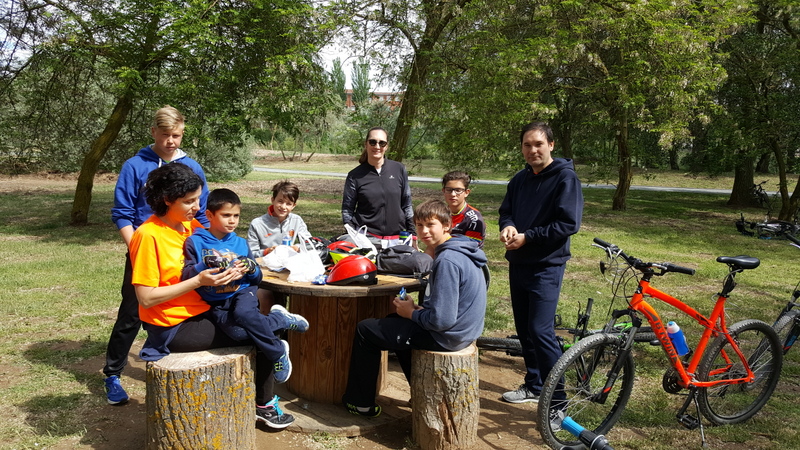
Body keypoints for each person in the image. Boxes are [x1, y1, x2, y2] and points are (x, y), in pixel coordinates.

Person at [131, 163, 295, 429]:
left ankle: (264, 395)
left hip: (205, 310)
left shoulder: (188, 226)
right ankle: (264, 405)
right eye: (189, 201)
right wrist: (198, 279)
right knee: (261, 335)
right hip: (175, 324)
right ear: (167, 200)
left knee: (254, 323)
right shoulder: (148, 236)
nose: (197, 207)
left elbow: (225, 239)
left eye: (197, 199)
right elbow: (146, 298)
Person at [341, 200, 487, 416]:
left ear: (446, 225)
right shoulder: (465, 250)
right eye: (419, 225)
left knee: (366, 330)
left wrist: (413, 313)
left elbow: (442, 321)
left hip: (448, 337)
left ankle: (360, 402)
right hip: (464, 332)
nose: (424, 231)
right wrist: (418, 312)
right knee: (393, 320)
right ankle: (420, 391)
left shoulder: (447, 260)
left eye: (430, 225)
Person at [104, 105, 209, 405]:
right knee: (132, 312)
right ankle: (112, 374)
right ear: (153, 132)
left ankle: (165, 349)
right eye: (165, 135)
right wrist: (137, 247)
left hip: (183, 250)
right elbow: (122, 214)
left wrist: (204, 245)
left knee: (189, 300)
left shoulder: (192, 167)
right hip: (145, 249)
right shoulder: (134, 166)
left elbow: (200, 212)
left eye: (177, 135)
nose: (171, 141)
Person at [182, 188, 309, 384]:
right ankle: (279, 319)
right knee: (237, 332)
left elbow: (257, 277)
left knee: (244, 315)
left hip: (243, 291)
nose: (232, 220)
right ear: (209, 215)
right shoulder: (195, 242)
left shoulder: (240, 243)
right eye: (226, 215)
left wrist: (251, 267)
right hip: (216, 300)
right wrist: (204, 264)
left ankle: (277, 352)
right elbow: (187, 275)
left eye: (236, 216)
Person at [498, 121, 583, 404]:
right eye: (527, 145)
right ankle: (534, 384)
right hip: (518, 262)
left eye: (538, 144)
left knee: (540, 330)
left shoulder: (565, 179)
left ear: (551, 145)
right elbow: (506, 212)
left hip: (547, 265)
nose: (532, 150)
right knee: (524, 330)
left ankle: (558, 400)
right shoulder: (519, 180)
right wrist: (508, 227)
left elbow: (568, 224)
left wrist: (528, 237)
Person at [341, 127, 415, 249]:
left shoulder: (399, 169)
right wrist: (354, 235)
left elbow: (407, 204)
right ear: (366, 144)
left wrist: (412, 233)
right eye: (372, 142)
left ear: (386, 146)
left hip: (397, 239)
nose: (377, 146)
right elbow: (347, 210)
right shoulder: (355, 175)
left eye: (382, 143)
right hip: (367, 239)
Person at [247, 180, 309, 310]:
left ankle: (292, 328)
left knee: (305, 296)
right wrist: (267, 251)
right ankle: (270, 328)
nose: (283, 207)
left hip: (289, 271)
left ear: (294, 206)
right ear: (273, 200)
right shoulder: (258, 223)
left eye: (288, 204)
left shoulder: (297, 221)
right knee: (265, 295)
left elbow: (309, 243)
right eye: (280, 201)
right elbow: (251, 253)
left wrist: (297, 247)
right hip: (265, 273)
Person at [439, 170, 486, 257]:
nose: (453, 194)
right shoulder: (438, 213)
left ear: (466, 193)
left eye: (458, 190)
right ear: (443, 191)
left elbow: (471, 249)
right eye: (449, 190)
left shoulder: (474, 219)